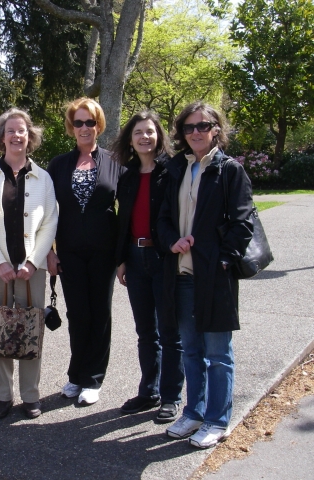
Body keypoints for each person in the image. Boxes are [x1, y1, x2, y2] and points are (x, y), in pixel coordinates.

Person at [158, 102, 253, 448]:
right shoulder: (176, 169)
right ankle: (194, 412)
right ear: (182, 133)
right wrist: (171, 242)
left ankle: (217, 419)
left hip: (214, 276)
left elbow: (243, 222)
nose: (196, 132)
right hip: (181, 274)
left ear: (216, 129)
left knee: (217, 353)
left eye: (203, 125)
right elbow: (164, 217)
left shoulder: (229, 170)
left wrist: (224, 261)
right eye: (189, 127)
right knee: (191, 350)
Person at [0, 108, 58, 420]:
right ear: (1, 137)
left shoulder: (43, 178)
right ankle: (2, 395)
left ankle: (30, 396)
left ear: (29, 136)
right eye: (10, 130)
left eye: (22, 130)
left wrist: (34, 262)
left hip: (30, 270)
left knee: (31, 328)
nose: (17, 135)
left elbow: (50, 223)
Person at [46, 98, 125, 406]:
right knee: (77, 314)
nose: (84, 128)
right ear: (71, 127)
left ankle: (93, 379)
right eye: (78, 122)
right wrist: (50, 252)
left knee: (99, 314)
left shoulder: (115, 160)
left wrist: (123, 257)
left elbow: (127, 208)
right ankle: (76, 375)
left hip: (104, 251)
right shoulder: (59, 164)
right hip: (69, 252)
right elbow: (46, 212)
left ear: (98, 125)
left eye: (89, 122)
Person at [112, 111, 184, 422]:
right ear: (130, 138)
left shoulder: (173, 170)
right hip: (135, 258)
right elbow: (122, 221)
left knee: (170, 331)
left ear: (159, 137)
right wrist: (121, 259)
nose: (145, 137)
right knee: (145, 332)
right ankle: (148, 391)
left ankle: (170, 396)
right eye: (138, 132)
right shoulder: (126, 174)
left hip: (164, 258)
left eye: (150, 132)